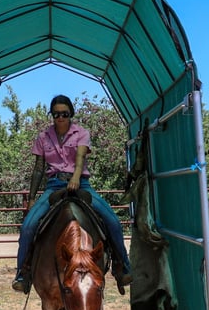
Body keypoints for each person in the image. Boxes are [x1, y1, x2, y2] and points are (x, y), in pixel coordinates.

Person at [12, 94, 132, 294]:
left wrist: (76, 177)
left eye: (65, 114)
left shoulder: (81, 133)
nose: (60, 118)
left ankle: (123, 266)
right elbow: (38, 168)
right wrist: (32, 198)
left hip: (81, 184)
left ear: (71, 114)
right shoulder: (43, 137)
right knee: (28, 226)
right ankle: (22, 274)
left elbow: (80, 157)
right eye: (56, 114)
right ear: (52, 115)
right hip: (53, 185)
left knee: (113, 221)